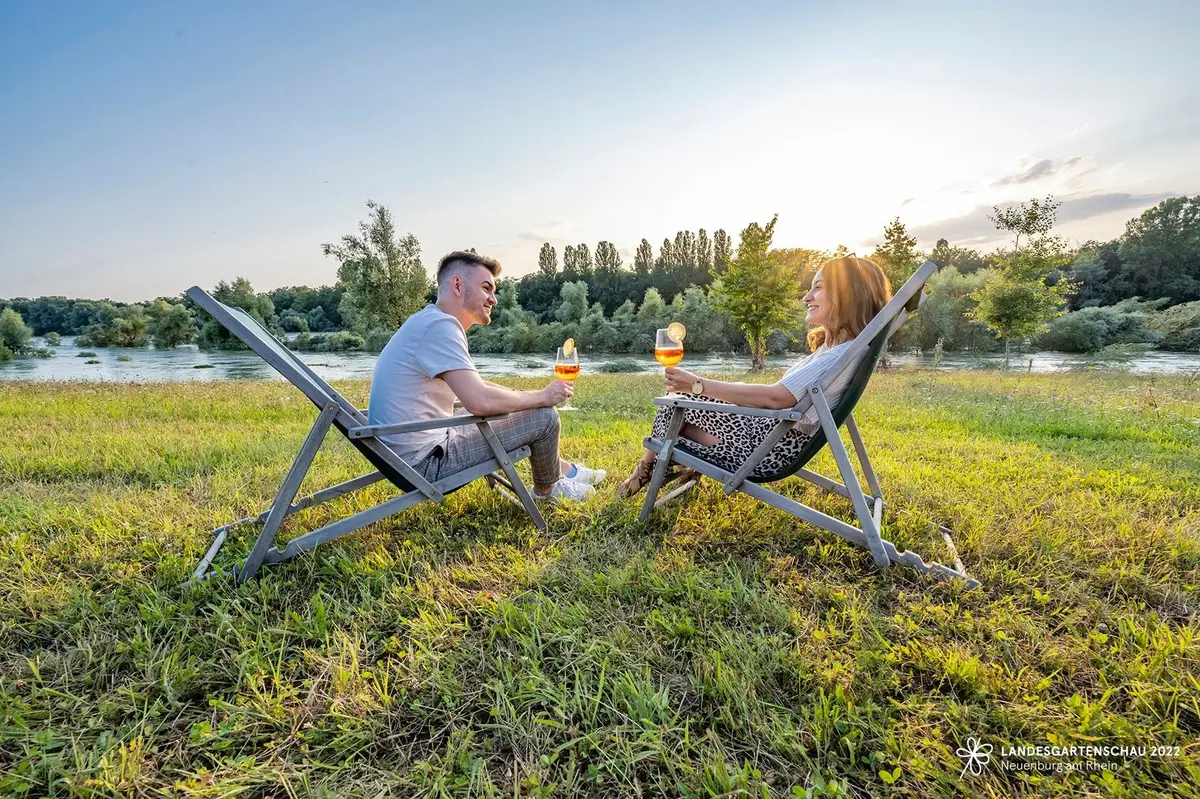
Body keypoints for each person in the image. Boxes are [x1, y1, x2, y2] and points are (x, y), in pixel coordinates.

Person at [616, 255, 892, 497]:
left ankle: (647, 468)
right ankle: (667, 466)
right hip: (768, 435)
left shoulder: (836, 355)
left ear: (848, 296)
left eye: (817, 288)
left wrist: (698, 384)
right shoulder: (837, 350)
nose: (806, 297)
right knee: (680, 403)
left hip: (767, 450)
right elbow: (778, 397)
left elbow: (775, 398)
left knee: (675, 403)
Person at [369, 250, 604, 502]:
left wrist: (527, 397)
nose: (494, 299)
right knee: (544, 417)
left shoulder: (429, 321)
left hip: (409, 451)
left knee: (519, 408)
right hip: (424, 464)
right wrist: (542, 397)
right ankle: (548, 491)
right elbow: (479, 400)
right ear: (457, 284)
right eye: (486, 288)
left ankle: (566, 471)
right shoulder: (440, 327)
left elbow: (477, 387)